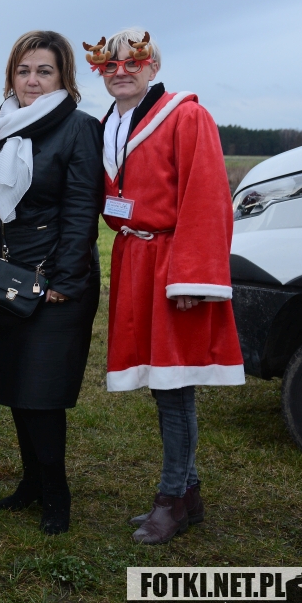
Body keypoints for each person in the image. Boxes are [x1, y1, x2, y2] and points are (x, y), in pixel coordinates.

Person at [91, 28, 245, 545]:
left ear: (153, 67)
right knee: (164, 385)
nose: (121, 72)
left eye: (133, 62)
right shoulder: (109, 124)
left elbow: (207, 197)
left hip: (171, 264)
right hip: (133, 256)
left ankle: (171, 499)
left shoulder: (185, 116)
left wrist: (191, 278)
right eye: (110, 65)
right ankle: (189, 494)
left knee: (175, 388)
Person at [0, 31, 104, 535]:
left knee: (42, 390)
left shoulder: (79, 127)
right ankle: (31, 482)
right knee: (16, 385)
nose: (32, 80)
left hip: (53, 277)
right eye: (24, 70)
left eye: (44, 71)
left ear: (63, 76)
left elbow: (81, 209)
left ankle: (56, 493)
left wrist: (65, 279)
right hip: (7, 274)